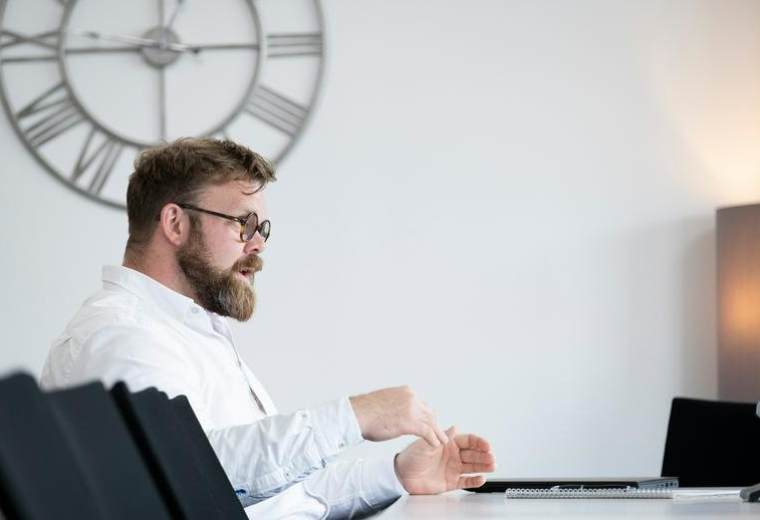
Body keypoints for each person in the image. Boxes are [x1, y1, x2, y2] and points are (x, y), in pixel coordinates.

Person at [41, 138, 495, 518]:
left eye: (262, 228)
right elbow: (193, 479)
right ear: (175, 223)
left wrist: (397, 474)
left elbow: (280, 499)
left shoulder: (190, 330)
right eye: (243, 223)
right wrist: (353, 416)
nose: (258, 244)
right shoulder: (121, 337)